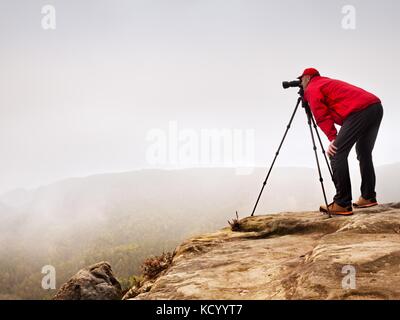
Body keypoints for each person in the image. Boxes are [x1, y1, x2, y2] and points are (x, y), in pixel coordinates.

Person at [299, 68, 384, 216]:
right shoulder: (325, 83)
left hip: (359, 110)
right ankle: (368, 196)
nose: (300, 83)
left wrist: (333, 138)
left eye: (301, 80)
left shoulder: (313, 88)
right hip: (375, 106)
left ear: (307, 78)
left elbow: (321, 115)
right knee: (364, 152)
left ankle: (342, 203)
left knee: (336, 153)